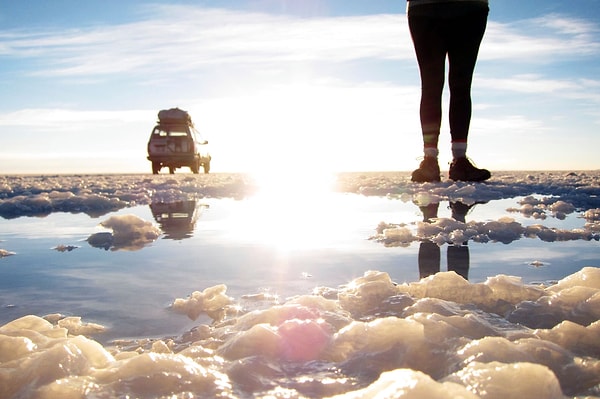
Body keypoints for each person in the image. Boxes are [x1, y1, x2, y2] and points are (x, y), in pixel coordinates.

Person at [407, 0, 491, 182]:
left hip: (469, 9)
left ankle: (459, 161)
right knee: (432, 85)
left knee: (460, 84)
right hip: (425, 8)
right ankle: (430, 160)